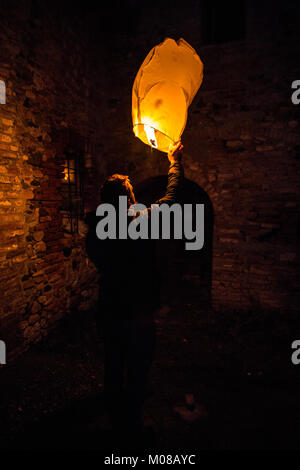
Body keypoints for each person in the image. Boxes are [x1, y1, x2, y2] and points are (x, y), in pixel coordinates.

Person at [85, 141, 184, 447]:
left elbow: (97, 257)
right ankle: (133, 427)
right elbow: (172, 197)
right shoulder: (144, 218)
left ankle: (116, 422)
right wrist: (174, 163)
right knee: (138, 368)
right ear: (129, 198)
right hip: (138, 310)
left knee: (114, 364)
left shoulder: (96, 227)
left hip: (110, 308)